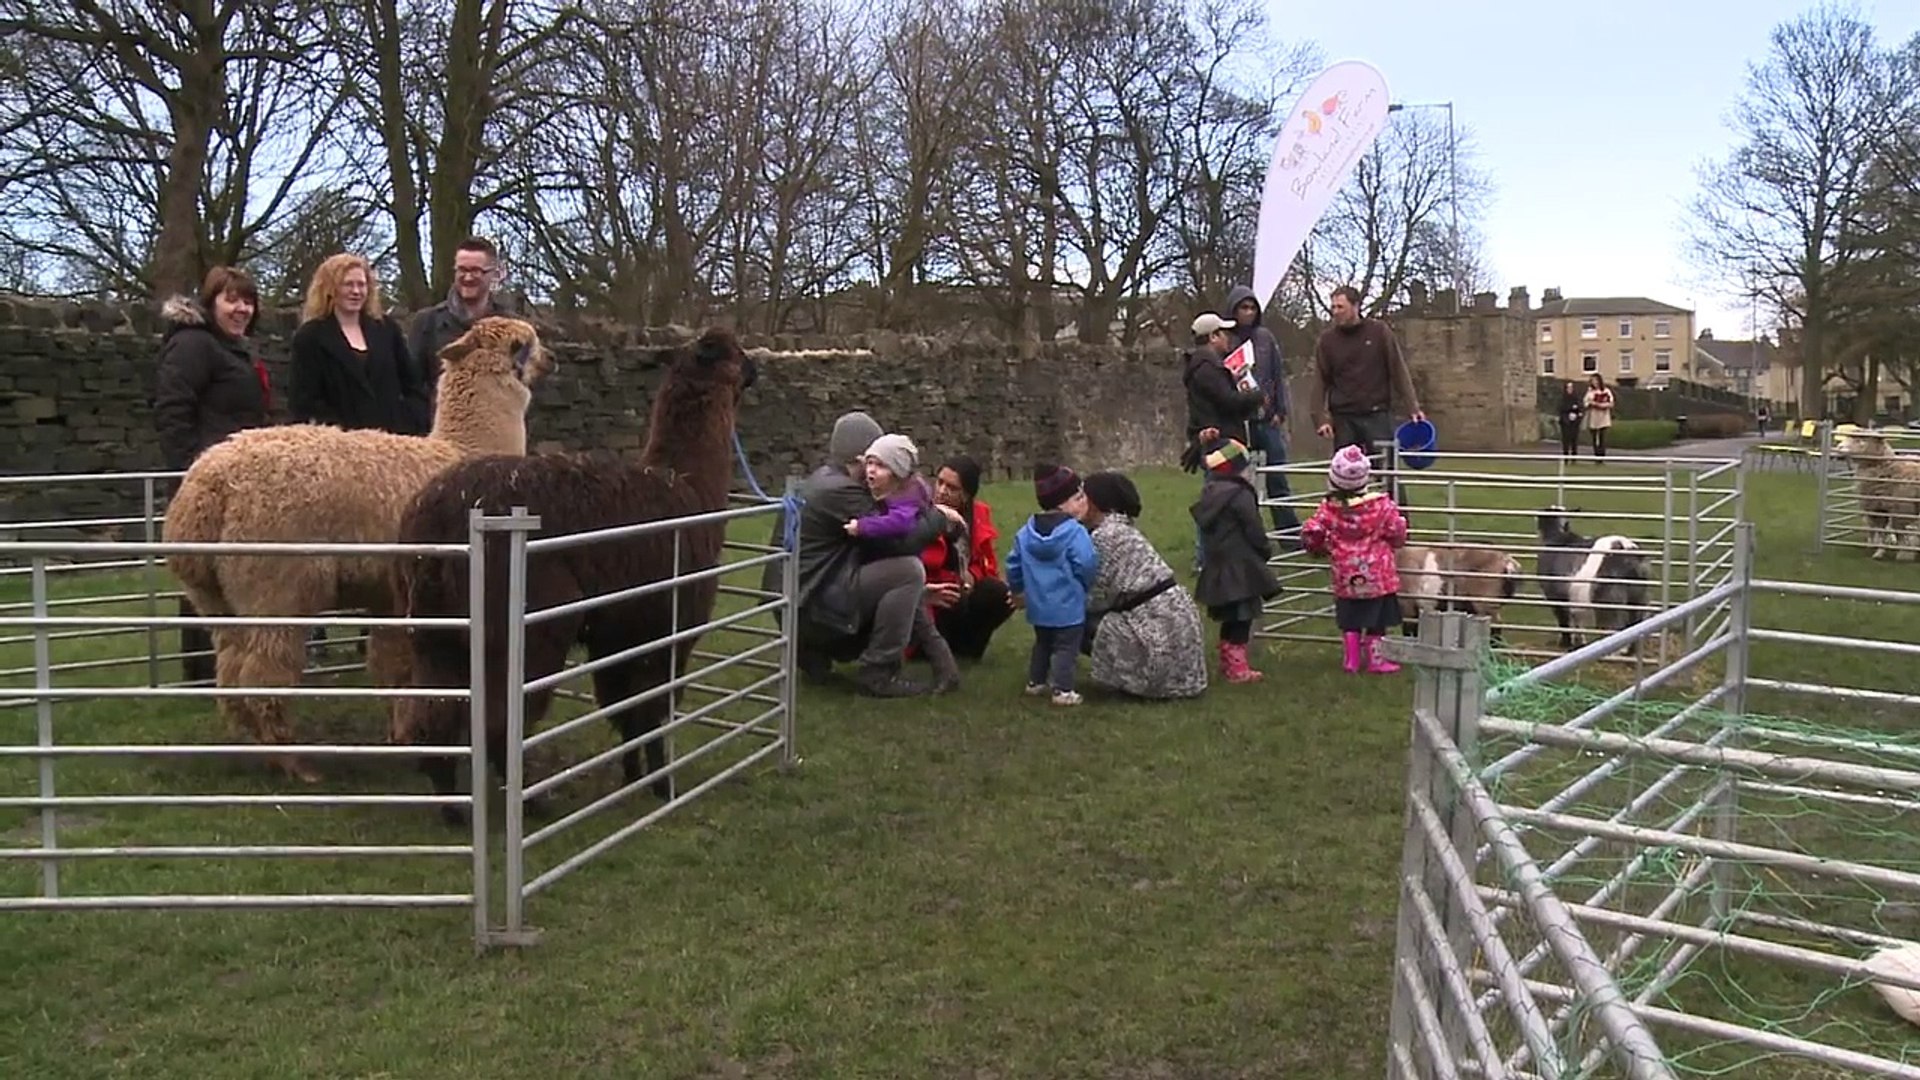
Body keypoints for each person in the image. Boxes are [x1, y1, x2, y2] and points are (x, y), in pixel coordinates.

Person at [151, 265, 273, 684]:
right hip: (206, 480)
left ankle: (233, 663)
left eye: (247, 301)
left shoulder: (236, 348)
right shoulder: (193, 346)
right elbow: (172, 409)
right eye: (231, 300)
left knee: (233, 573)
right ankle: (202, 671)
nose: (241, 309)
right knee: (201, 572)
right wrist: (191, 474)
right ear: (211, 302)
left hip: (241, 481)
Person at [787, 412, 947, 697]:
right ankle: (879, 672)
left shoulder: (820, 481)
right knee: (907, 571)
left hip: (799, 599)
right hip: (811, 603)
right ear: (862, 458)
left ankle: (813, 655)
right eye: (875, 460)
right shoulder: (841, 491)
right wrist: (940, 517)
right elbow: (902, 541)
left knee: (892, 571)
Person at [1075, 470, 1207, 699]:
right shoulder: (1123, 529)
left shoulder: (1105, 537)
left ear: (1095, 502)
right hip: (1171, 623)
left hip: (1155, 629)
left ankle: (1134, 681)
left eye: (1081, 497)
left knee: (1072, 620)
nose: (1077, 502)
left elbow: (1096, 596)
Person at [289, 252, 432, 436]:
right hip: (340, 447)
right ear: (330, 289)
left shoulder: (387, 329)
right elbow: (303, 403)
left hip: (392, 443)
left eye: (361, 285)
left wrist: (409, 421)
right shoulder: (310, 337)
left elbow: (413, 386)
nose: (356, 291)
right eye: (348, 284)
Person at [1300, 445, 1409, 675]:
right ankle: (1376, 659)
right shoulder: (1381, 506)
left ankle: (1351, 659)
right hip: (1378, 573)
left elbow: (1315, 532)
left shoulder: (1329, 509)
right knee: (1377, 619)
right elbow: (1396, 532)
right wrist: (1399, 537)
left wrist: (1317, 545)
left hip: (1346, 573)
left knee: (1350, 616)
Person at [1308, 286, 1424, 499]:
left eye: (1340, 307)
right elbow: (1320, 381)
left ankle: (1399, 526)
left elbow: (1398, 369)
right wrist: (1320, 418)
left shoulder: (1379, 332)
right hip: (1344, 418)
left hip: (1376, 414)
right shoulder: (1327, 341)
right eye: (1332, 307)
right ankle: (1345, 527)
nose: (1335, 311)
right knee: (1343, 477)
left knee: (1388, 475)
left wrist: (1412, 406)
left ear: (1355, 306)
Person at [1006, 464, 1099, 707]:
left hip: (1039, 607)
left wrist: (1018, 589)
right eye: (1078, 497)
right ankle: (1063, 689)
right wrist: (1084, 583)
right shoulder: (1075, 533)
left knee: (1043, 643)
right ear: (1062, 504)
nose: (1084, 502)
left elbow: (1013, 564)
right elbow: (1086, 562)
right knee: (1066, 649)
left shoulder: (1025, 533)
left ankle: (1036, 682)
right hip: (1068, 606)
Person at [1190, 439, 1281, 684]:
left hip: (1219, 563)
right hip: (1242, 565)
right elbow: (1253, 526)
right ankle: (1237, 667)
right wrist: (1264, 549)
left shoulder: (1210, 493)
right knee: (1243, 617)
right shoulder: (1240, 494)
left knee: (1230, 617)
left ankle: (1228, 660)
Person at [1183, 312, 1265, 570]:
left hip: (1217, 438)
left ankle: (1211, 556)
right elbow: (1228, 401)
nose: (1228, 338)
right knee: (1218, 499)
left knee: (1217, 496)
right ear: (1213, 336)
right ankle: (1205, 558)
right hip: (1222, 441)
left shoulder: (1202, 366)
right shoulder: (1208, 369)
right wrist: (1254, 396)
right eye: (1223, 333)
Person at [1222, 286, 1303, 539]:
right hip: (1239, 420)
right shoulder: (1226, 340)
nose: (1248, 312)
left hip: (1268, 419)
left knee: (1277, 477)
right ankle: (1249, 533)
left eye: (1252, 307)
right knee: (1242, 480)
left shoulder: (1265, 338)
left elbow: (1278, 374)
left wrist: (1280, 410)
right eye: (1243, 308)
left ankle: (1288, 533)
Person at [407, 235, 517, 422]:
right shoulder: (427, 322)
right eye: (462, 270)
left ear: (494, 274)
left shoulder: (510, 325)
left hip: (495, 433)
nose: (467, 277)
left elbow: (522, 384)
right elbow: (411, 386)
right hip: (439, 435)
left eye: (476, 271)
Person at [918, 456, 1012, 660]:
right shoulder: (921, 513)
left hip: (961, 591)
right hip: (930, 597)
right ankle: (927, 647)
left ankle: (968, 649)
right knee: (951, 593)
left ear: (966, 495)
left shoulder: (977, 517)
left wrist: (972, 575)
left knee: (998, 593)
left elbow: (987, 564)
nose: (942, 491)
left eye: (951, 487)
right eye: (940, 482)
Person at [1583, 373, 1615, 459]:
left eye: (1596, 380)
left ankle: (1602, 456)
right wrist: (1592, 403)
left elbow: (1611, 403)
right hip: (1594, 416)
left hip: (1603, 416)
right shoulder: (1590, 392)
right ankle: (1596, 455)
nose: (1595, 382)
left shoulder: (1606, 391)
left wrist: (1603, 405)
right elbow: (1585, 402)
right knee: (1594, 437)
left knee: (1602, 437)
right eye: (1593, 381)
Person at [1556, 380, 1585, 458]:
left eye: (1571, 388)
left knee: (1574, 440)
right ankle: (1566, 457)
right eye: (1568, 388)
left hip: (1575, 423)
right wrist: (1570, 409)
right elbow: (1561, 409)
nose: (1570, 389)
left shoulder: (1576, 398)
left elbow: (1580, 408)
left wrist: (1578, 414)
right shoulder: (1562, 399)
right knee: (1566, 440)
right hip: (1565, 422)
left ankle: (1574, 457)